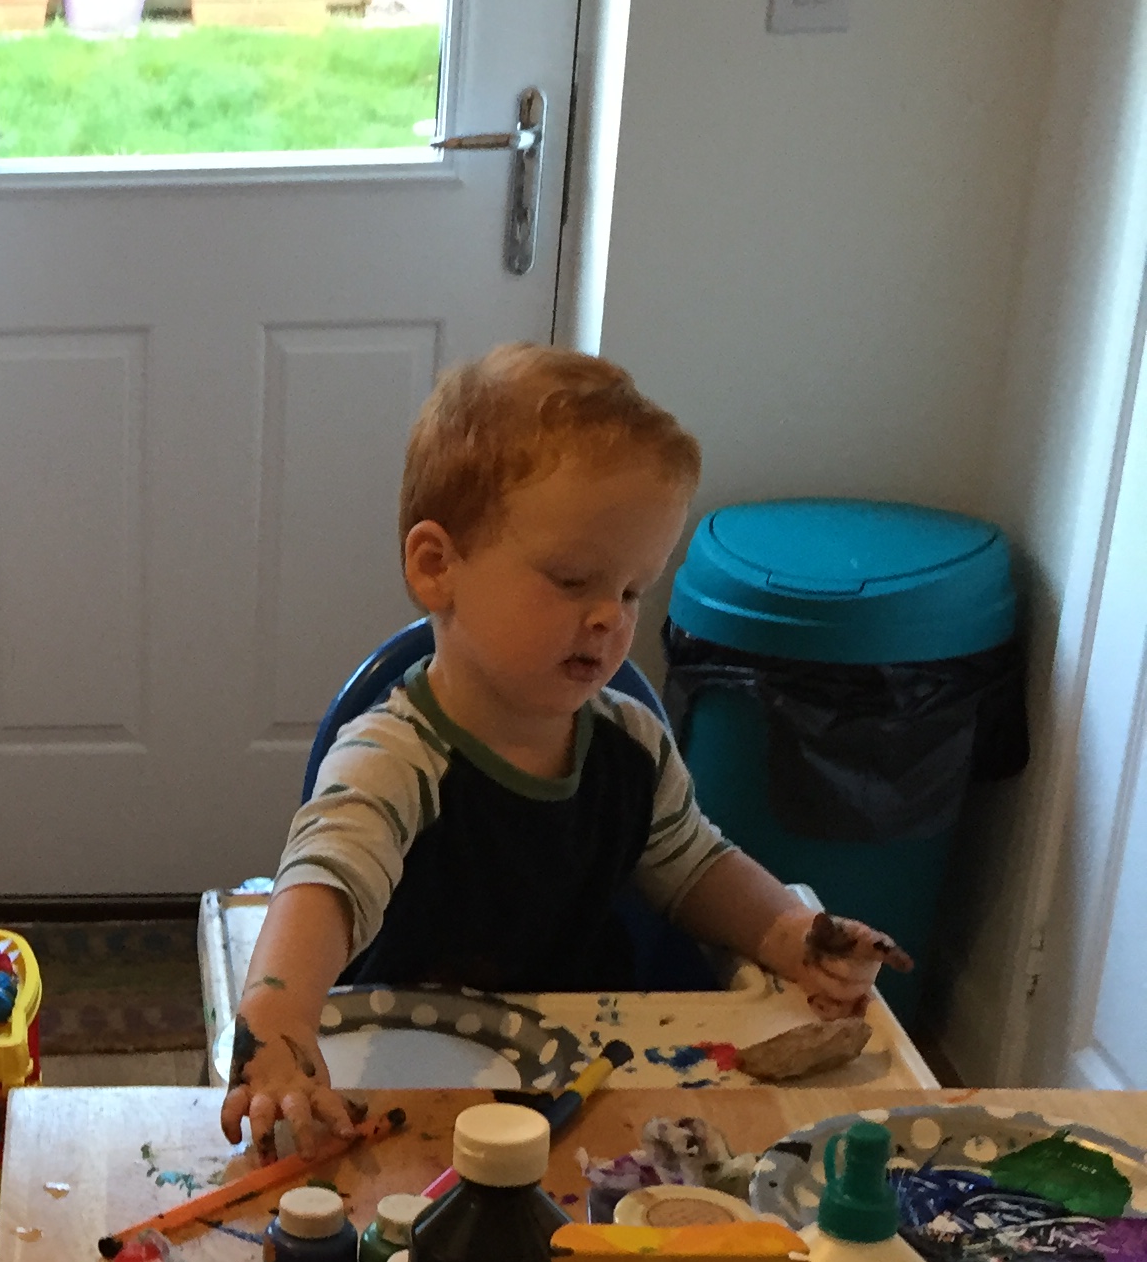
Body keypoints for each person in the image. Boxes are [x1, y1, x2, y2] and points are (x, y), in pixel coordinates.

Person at [224, 345, 901, 1154]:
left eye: (631, 589)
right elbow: (327, 881)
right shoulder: (394, 759)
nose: (610, 617)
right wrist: (279, 1018)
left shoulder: (631, 746)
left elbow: (693, 866)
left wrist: (789, 932)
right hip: (416, 1087)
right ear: (437, 567)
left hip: (590, 1080)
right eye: (573, 579)